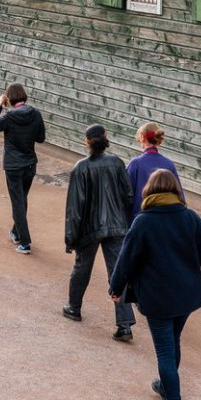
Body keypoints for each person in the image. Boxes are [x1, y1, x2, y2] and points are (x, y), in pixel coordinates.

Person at [109, 169, 201, 400]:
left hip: (156, 298)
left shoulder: (143, 222)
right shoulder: (190, 217)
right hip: (186, 296)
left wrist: (115, 286)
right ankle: (164, 386)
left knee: (164, 351)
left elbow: (127, 258)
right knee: (172, 342)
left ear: (149, 190)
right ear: (175, 190)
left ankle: (173, 395)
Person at [63, 124, 136, 341]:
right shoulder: (117, 163)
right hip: (117, 225)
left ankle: (74, 308)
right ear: (105, 139)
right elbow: (129, 196)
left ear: (87, 142)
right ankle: (124, 325)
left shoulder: (80, 168)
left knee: (82, 267)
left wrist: (70, 238)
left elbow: (74, 209)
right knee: (118, 272)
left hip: (90, 229)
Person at [0, 82, 45, 254]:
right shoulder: (35, 113)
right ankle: (15, 232)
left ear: (9, 98)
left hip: (13, 165)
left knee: (18, 202)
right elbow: (41, 138)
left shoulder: (9, 116)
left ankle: (25, 242)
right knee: (22, 199)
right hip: (29, 163)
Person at [127, 122, 183, 221]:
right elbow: (179, 196)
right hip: (165, 219)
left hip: (139, 219)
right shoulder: (169, 164)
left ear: (142, 138)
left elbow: (126, 193)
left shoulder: (135, 163)